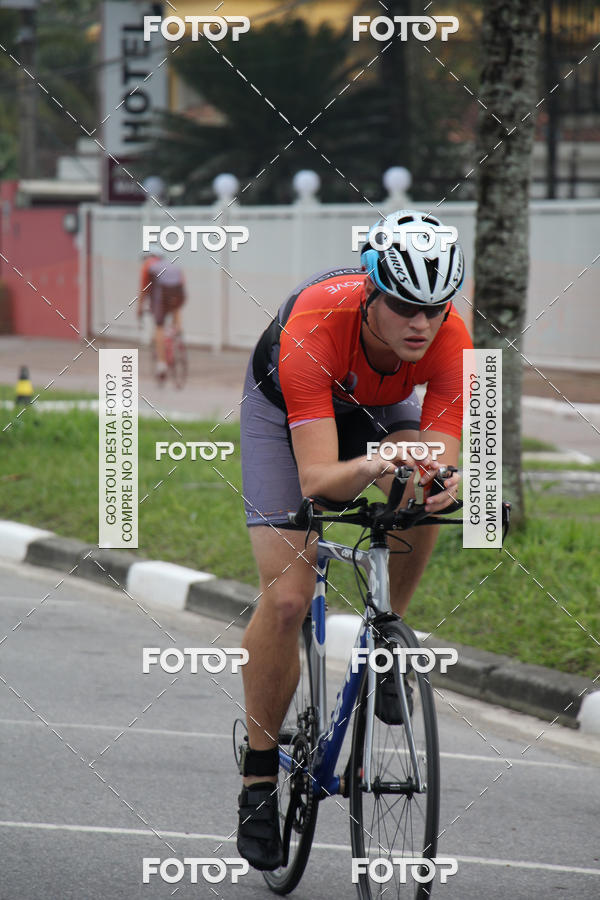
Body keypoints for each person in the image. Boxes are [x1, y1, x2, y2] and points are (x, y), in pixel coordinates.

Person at [236, 209, 472, 870]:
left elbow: (440, 453)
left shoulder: (453, 335)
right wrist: (366, 467)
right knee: (287, 597)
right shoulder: (315, 326)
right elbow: (320, 482)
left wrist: (434, 476)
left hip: (375, 407)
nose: (421, 323)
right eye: (403, 305)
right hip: (287, 406)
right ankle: (258, 778)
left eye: (434, 306)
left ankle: (387, 629)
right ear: (370, 292)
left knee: (419, 482)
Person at [138, 251, 186, 379]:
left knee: (159, 326)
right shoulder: (172, 266)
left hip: (161, 298)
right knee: (175, 306)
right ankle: (176, 331)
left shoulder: (147, 267)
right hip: (179, 295)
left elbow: (144, 290)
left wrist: (139, 308)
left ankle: (161, 364)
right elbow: (181, 285)